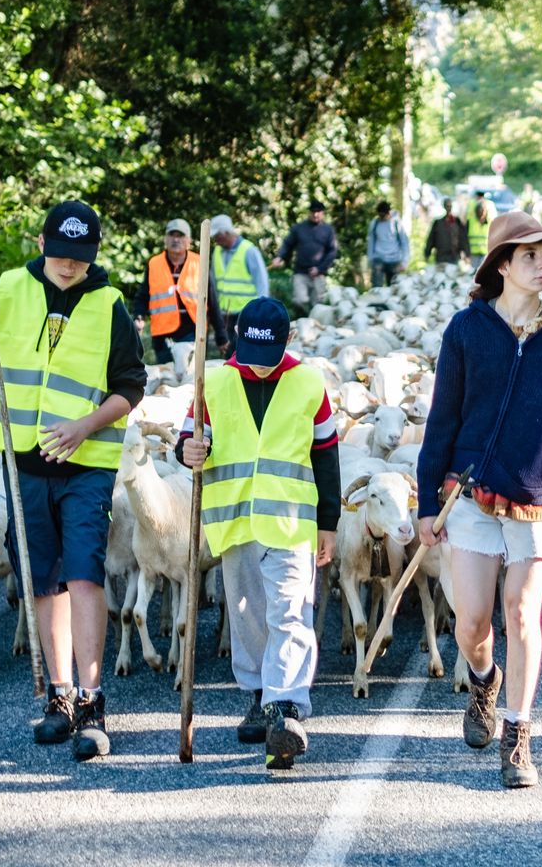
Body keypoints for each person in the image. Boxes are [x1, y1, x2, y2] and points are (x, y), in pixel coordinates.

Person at [0, 201, 146, 761]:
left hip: (86, 464)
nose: (68, 265)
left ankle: (92, 701)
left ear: (93, 254)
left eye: (79, 257)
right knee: (42, 578)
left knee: (84, 573)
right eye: (59, 254)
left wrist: (85, 426)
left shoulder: (109, 304)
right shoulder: (7, 287)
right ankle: (61, 695)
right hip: (23, 464)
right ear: (41, 244)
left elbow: (131, 386)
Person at [415, 210, 542, 789]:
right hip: (471, 494)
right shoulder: (467, 330)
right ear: (501, 265)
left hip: (539, 498)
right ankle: (484, 681)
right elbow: (441, 420)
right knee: (472, 622)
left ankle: (518, 732)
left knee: (523, 613)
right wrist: (427, 504)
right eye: (530, 255)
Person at [177, 297, 341, 770]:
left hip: (291, 522)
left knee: (290, 612)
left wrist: (328, 523)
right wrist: (188, 451)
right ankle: (257, 694)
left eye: (269, 356)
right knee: (247, 615)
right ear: (237, 340)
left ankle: (284, 708)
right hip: (235, 520)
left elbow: (326, 456)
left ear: (288, 340)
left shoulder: (309, 383)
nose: (260, 366)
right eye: (251, 354)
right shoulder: (214, 381)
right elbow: (187, 439)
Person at [132, 218, 229, 364]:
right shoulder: (154, 264)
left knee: (190, 375)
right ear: (165, 239)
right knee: (167, 374)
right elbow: (142, 296)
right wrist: (138, 316)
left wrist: (221, 334)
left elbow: (211, 301)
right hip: (162, 334)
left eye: (180, 235)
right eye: (172, 235)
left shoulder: (199, 262)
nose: (176, 239)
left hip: (193, 333)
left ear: (189, 240)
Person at [210, 214, 269, 346]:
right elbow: (213, 282)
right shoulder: (217, 252)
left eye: (217, 236)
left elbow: (262, 283)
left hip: (246, 312)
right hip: (225, 312)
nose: (215, 240)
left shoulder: (249, 251)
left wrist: (261, 310)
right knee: (228, 350)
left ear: (226, 233)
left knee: (243, 348)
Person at [271, 200, 338, 316]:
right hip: (301, 272)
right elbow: (287, 244)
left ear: (323, 213)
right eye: (313, 212)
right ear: (309, 213)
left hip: (319, 274)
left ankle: (313, 323)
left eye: (318, 212)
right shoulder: (299, 228)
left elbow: (332, 252)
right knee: (300, 300)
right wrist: (280, 257)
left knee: (318, 305)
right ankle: (305, 318)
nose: (315, 214)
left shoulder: (328, 230)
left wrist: (320, 269)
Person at [367, 201, 410, 288]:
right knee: (376, 288)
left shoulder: (396, 223)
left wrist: (405, 261)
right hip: (378, 259)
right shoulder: (375, 224)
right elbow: (371, 242)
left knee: (394, 288)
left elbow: (404, 242)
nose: (381, 218)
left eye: (383, 215)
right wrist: (370, 259)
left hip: (394, 260)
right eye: (380, 215)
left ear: (388, 213)